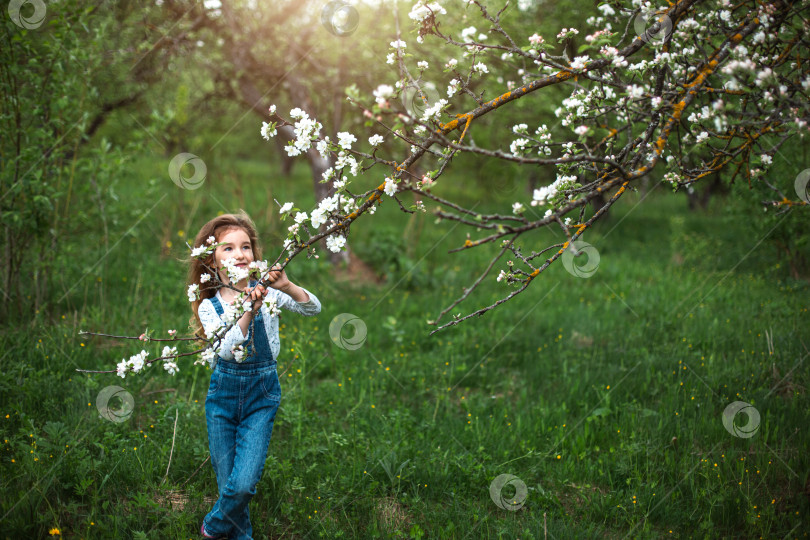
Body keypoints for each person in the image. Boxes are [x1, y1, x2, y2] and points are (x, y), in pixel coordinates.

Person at [186, 211, 321, 540]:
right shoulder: (210, 306)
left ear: (254, 256)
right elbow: (228, 348)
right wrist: (249, 308)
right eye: (227, 248)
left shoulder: (270, 293)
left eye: (246, 247)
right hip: (223, 397)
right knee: (229, 484)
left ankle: (212, 527)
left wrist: (286, 285)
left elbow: (312, 307)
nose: (240, 254)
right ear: (213, 262)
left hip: (262, 395)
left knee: (243, 485)